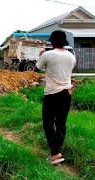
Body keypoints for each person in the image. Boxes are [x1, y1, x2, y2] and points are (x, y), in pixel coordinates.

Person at [35, 30, 76, 165]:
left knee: (48, 124)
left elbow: (36, 69)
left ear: (52, 42)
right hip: (67, 93)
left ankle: (55, 153)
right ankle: (58, 152)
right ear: (64, 42)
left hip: (52, 94)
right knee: (61, 124)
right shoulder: (71, 56)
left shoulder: (47, 54)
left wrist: (41, 55)